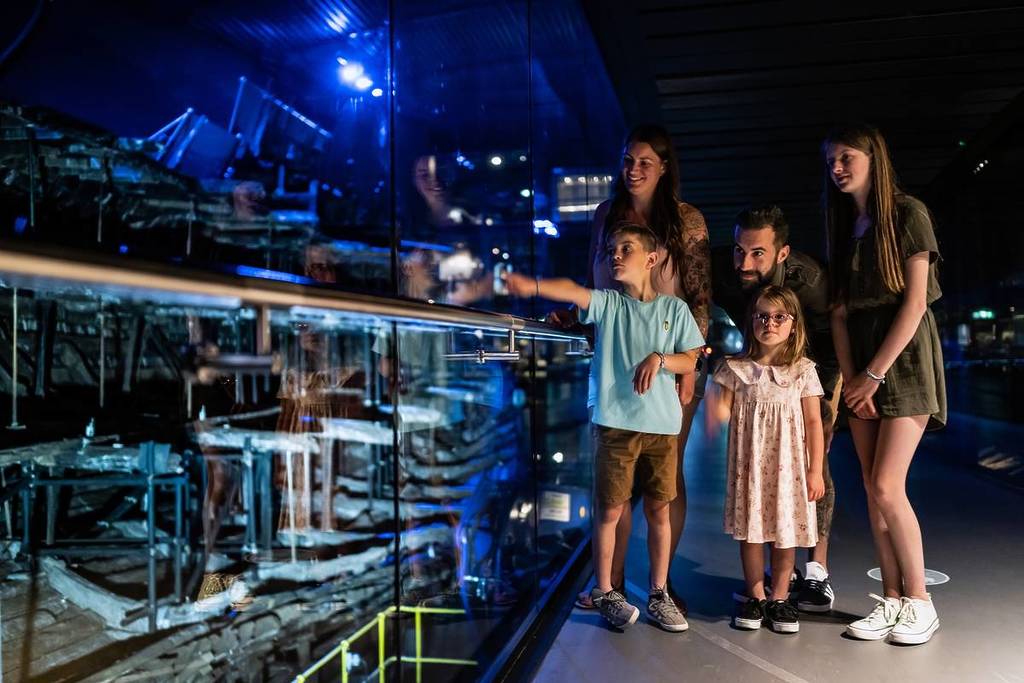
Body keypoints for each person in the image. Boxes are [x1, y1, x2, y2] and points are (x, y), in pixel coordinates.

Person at [504, 222, 704, 632]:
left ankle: (659, 592)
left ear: (651, 259)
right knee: (610, 508)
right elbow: (573, 292)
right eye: (611, 249)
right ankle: (604, 589)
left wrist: (659, 358)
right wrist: (532, 284)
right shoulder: (610, 304)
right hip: (615, 424)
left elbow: (691, 358)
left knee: (658, 509)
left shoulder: (673, 309)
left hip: (662, 427)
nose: (615, 255)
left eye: (625, 248)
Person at [551, 124, 711, 611]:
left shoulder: (687, 220)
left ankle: (661, 586)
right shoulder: (606, 215)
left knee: (666, 482)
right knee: (614, 483)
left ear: (664, 167)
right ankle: (611, 584)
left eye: (645, 161)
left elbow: (700, 297)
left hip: (670, 361)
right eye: (627, 159)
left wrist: (690, 371)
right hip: (615, 364)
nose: (633, 169)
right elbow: (591, 281)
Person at [823, 123, 945, 645]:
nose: (837, 167)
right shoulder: (846, 224)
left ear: (875, 157)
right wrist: (852, 377)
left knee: (885, 486)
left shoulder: (908, 213)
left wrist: (872, 374)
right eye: (831, 160)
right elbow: (839, 312)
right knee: (873, 494)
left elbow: (916, 304)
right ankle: (893, 600)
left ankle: (921, 601)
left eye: (847, 156)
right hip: (863, 363)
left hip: (904, 355)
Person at [712, 205, 841, 611]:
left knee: (813, 461)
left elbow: (838, 331)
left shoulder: (811, 283)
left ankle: (816, 571)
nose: (744, 262)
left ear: (781, 253)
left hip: (816, 362)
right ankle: (758, 583)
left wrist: (828, 397)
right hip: (756, 363)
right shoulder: (724, 268)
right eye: (739, 250)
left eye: (757, 253)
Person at [711, 285, 826, 634]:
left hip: (789, 470)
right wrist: (711, 408)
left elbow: (813, 423)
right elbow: (719, 413)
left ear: (793, 324)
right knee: (752, 532)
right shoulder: (736, 369)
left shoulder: (803, 370)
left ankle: (779, 597)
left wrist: (815, 470)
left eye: (779, 317)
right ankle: (756, 595)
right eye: (762, 316)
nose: (770, 323)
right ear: (751, 322)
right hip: (750, 470)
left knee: (784, 533)